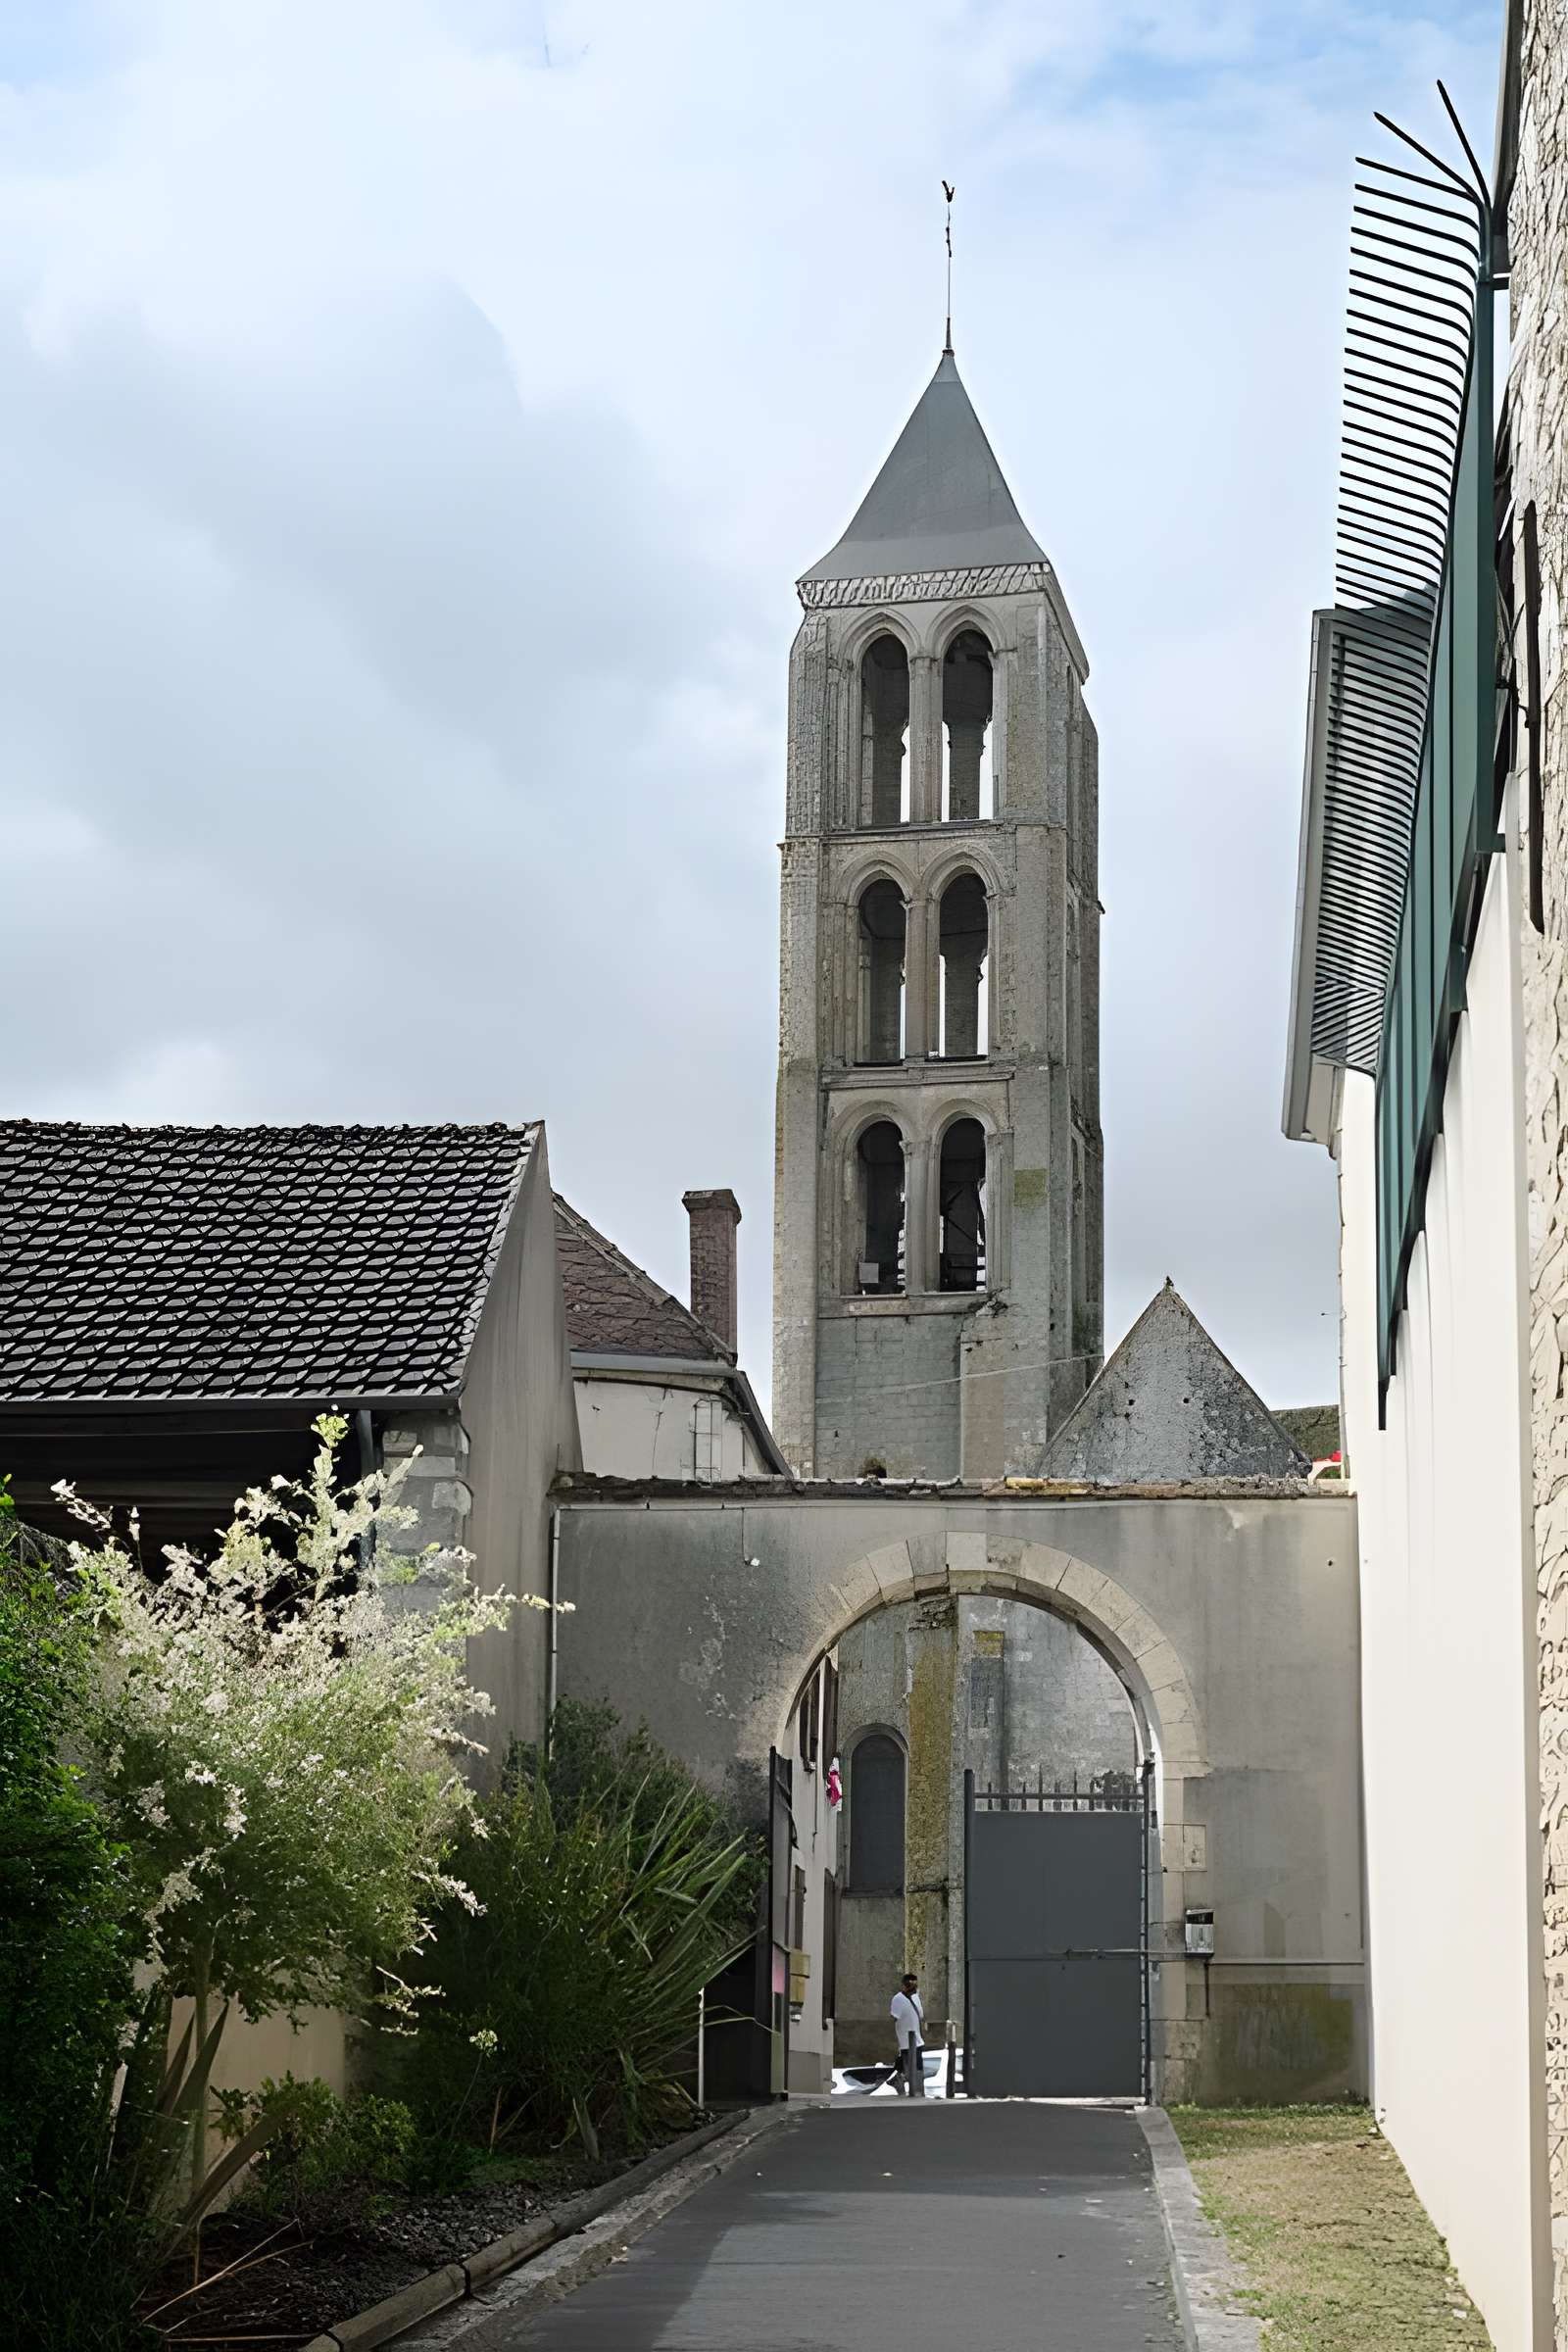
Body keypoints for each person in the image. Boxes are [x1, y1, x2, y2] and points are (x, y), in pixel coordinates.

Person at [890, 1971, 925, 2097]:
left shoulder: (915, 1997)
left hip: (917, 2040)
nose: (912, 1987)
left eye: (914, 1984)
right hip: (906, 2042)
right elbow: (894, 2017)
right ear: (903, 1985)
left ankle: (917, 2092)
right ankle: (901, 2083)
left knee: (917, 2069)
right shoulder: (897, 1999)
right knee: (910, 2068)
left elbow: (920, 2015)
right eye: (909, 1984)